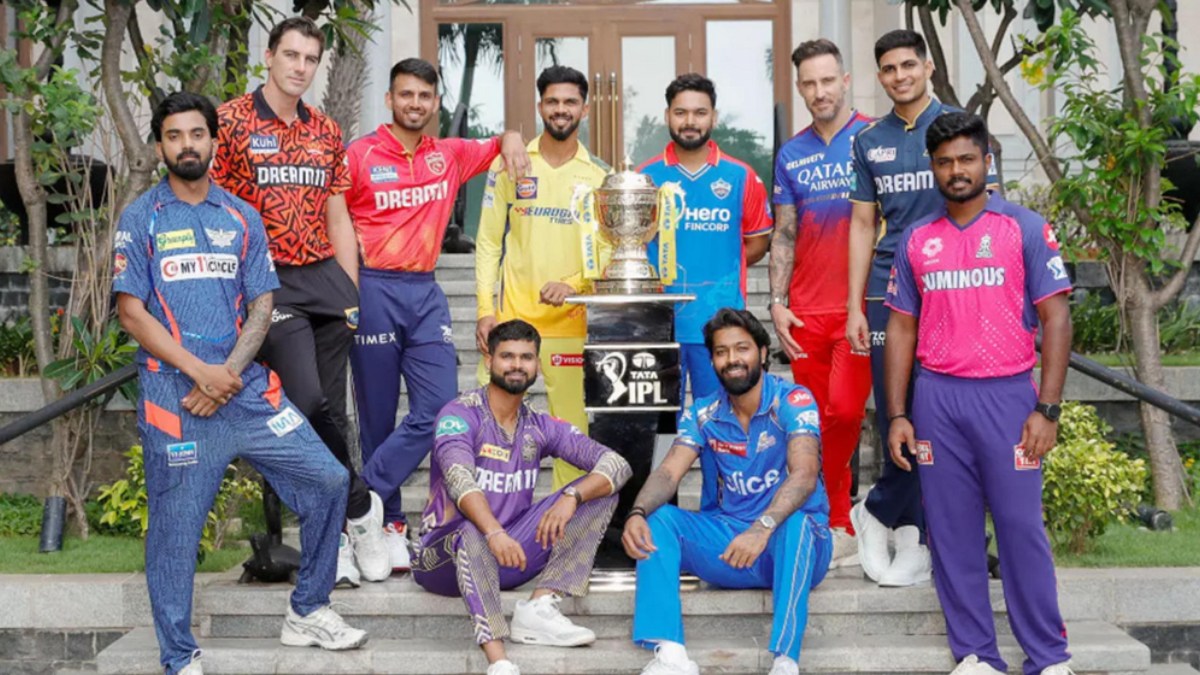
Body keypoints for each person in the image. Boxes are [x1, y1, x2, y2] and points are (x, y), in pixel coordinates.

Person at [114, 92, 367, 675]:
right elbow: (131, 313)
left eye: (196, 134)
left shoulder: (241, 216)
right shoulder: (142, 218)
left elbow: (263, 305)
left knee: (329, 479)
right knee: (176, 530)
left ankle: (308, 610)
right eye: (174, 136)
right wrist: (200, 373)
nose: (187, 145)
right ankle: (179, 655)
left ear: (213, 140)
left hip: (242, 387)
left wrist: (225, 374)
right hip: (175, 396)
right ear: (160, 146)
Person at [884, 112, 1073, 675]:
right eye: (944, 162)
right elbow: (901, 328)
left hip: (1008, 397)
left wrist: (1047, 408)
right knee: (951, 534)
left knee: (1020, 529)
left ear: (987, 161)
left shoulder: (1024, 228)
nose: (956, 170)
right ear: (932, 169)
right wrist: (897, 413)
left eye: (967, 159)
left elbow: (1056, 318)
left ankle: (1048, 656)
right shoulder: (918, 239)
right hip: (938, 401)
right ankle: (975, 655)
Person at [209, 16, 388, 588]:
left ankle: (334, 538)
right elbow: (216, 208)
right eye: (291, 55)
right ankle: (360, 507)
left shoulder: (326, 130)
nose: (300, 68)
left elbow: (338, 214)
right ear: (269, 56)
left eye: (310, 59)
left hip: (325, 281)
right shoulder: (231, 122)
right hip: (269, 282)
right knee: (305, 402)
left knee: (331, 409)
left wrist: (350, 290)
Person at [343, 58, 529, 572]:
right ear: (390, 99)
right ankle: (388, 526)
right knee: (377, 417)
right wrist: (346, 291)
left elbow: (499, 143)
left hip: (425, 291)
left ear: (435, 103)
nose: (415, 103)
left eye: (424, 96)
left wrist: (513, 137)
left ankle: (357, 499)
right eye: (406, 94)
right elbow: (334, 218)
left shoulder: (448, 155)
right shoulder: (359, 155)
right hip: (374, 287)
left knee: (441, 408)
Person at [843, 29, 996, 587]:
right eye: (889, 68)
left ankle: (879, 508)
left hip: (953, 284)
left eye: (909, 65)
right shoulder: (868, 140)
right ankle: (912, 532)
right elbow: (863, 225)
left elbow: (988, 210)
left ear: (928, 67)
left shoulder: (960, 127)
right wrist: (854, 306)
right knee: (896, 412)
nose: (899, 76)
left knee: (938, 412)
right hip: (889, 288)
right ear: (879, 76)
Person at [412, 319, 633, 675]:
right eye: (507, 356)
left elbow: (617, 465)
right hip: (441, 559)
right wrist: (493, 532)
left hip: (509, 554)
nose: (517, 364)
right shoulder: (460, 414)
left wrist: (572, 496)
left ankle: (540, 607)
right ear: (489, 361)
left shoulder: (539, 424)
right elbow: (459, 479)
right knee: (471, 531)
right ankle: (499, 662)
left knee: (599, 492)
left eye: (526, 357)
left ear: (538, 366)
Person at [622, 308, 831, 675]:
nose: (732, 359)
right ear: (713, 360)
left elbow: (804, 476)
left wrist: (762, 528)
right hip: (732, 546)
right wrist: (636, 512)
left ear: (762, 353)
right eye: (721, 352)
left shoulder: (792, 400)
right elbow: (669, 472)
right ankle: (671, 656)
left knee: (797, 524)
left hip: (791, 546)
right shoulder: (705, 411)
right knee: (657, 519)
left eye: (741, 348)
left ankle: (785, 661)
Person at [475, 65, 611, 490]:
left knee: (572, 441)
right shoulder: (512, 163)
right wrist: (485, 311)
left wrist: (575, 284)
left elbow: (608, 249)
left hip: (572, 327)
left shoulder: (599, 175)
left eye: (570, 102)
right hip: (512, 326)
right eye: (552, 101)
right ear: (540, 107)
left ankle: (564, 523)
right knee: (487, 434)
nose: (560, 109)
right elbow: (488, 242)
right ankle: (491, 519)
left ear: (585, 109)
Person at [770, 38, 873, 569]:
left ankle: (836, 515)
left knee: (846, 410)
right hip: (806, 312)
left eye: (827, 80)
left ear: (845, 81)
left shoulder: (873, 139)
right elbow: (784, 233)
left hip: (859, 309)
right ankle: (835, 521)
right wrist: (777, 302)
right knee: (813, 418)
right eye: (809, 83)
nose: (819, 91)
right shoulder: (791, 154)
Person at [638, 73, 773, 406]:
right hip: (660, 324)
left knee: (719, 418)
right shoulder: (644, 178)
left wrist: (720, 267)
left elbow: (757, 244)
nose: (690, 122)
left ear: (714, 117)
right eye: (680, 112)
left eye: (700, 113)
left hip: (720, 327)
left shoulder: (740, 175)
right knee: (662, 425)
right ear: (667, 116)